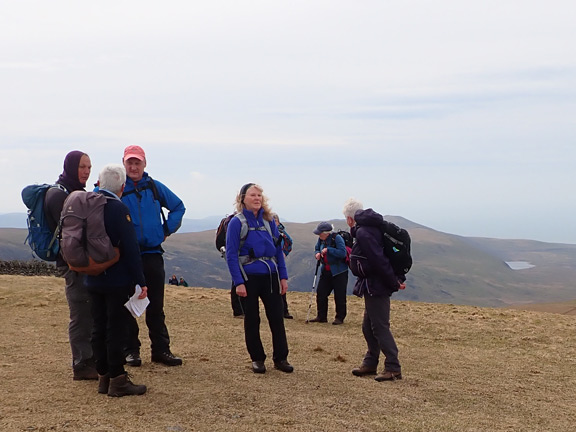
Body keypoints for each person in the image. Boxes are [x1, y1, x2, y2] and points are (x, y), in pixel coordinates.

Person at [85, 164, 148, 397]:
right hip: (116, 279)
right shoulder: (118, 209)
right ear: (122, 187)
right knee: (116, 329)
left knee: (98, 326)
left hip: (91, 276)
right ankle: (118, 380)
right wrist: (140, 280)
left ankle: (103, 377)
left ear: (99, 183)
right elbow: (131, 248)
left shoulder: (87, 206)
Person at [121, 145, 186, 367]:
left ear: (144, 163)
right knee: (129, 303)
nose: (133, 166)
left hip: (152, 254)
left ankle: (161, 350)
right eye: (130, 162)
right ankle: (131, 351)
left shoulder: (155, 187)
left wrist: (165, 230)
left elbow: (178, 206)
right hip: (126, 257)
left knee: (155, 306)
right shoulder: (118, 188)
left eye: (137, 162)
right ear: (123, 163)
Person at [225, 183, 293, 374]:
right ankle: (257, 359)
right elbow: (231, 254)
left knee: (277, 318)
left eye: (259, 195)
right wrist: (238, 282)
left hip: (271, 276)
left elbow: (278, 251)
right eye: (252, 195)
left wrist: (283, 277)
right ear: (242, 199)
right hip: (249, 277)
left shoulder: (268, 221)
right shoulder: (236, 223)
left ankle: (281, 358)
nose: (257, 198)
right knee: (252, 319)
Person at [44, 150, 97, 381]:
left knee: (88, 310)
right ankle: (82, 364)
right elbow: (74, 233)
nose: (86, 171)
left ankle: (89, 359)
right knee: (81, 311)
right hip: (73, 264)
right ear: (71, 167)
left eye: (89, 167)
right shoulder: (59, 195)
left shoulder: (73, 192)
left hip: (81, 263)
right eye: (82, 167)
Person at [343, 198, 405, 381]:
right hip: (372, 285)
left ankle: (393, 367)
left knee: (379, 327)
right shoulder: (368, 229)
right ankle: (370, 363)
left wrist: (393, 282)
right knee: (368, 327)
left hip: (376, 285)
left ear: (349, 219)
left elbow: (378, 260)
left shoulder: (364, 232)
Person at [309, 221, 349, 325]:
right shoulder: (321, 239)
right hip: (326, 270)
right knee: (321, 293)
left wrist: (329, 250)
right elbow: (317, 248)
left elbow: (342, 253)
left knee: (339, 295)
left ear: (326, 233)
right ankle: (321, 316)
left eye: (320, 233)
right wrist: (317, 253)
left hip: (339, 272)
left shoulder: (337, 238)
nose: (318, 235)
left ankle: (339, 318)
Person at [273, 213, 293, 319]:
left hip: (278, 262)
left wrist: (284, 253)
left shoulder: (281, 232)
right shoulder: (268, 231)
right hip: (271, 261)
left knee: (281, 286)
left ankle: (284, 311)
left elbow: (290, 242)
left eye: (275, 220)